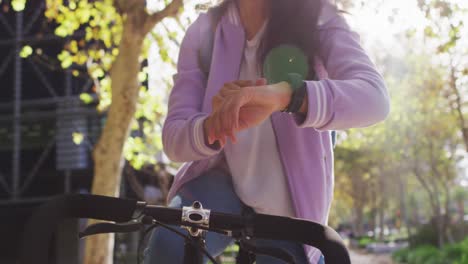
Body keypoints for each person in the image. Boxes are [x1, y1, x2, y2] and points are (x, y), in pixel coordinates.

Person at [145, 0, 390, 263]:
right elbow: (173, 138)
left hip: (289, 206)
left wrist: (288, 96)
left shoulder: (319, 18)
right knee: (170, 246)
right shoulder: (205, 31)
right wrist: (211, 127)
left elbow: (374, 99)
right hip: (219, 183)